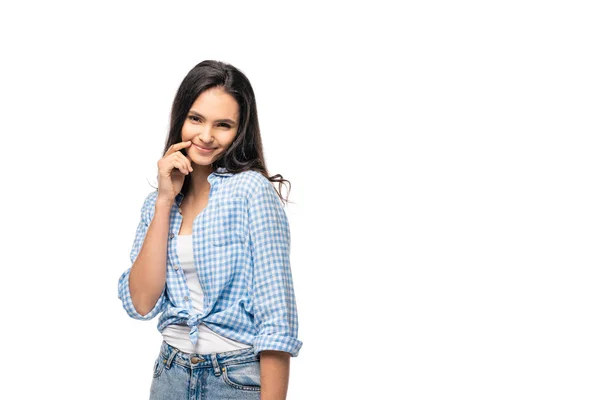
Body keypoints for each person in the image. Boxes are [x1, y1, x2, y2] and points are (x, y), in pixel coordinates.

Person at [117, 60, 302, 400]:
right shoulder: (156, 203)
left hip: (235, 379)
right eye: (196, 119)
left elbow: (277, 319)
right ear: (180, 119)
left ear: (239, 131)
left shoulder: (251, 191)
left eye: (223, 125)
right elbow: (141, 303)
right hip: (169, 374)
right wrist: (163, 201)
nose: (205, 136)